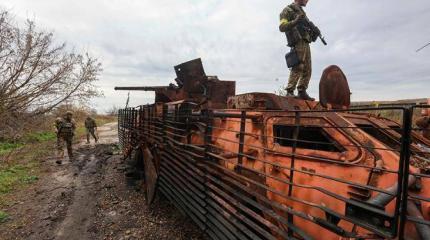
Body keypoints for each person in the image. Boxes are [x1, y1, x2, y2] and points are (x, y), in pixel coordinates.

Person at [279, 0, 319, 101]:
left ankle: (302, 91)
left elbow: (306, 30)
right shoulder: (287, 10)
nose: (307, 0)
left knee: (307, 69)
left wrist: (314, 33)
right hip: (297, 42)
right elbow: (282, 27)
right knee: (298, 66)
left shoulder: (302, 13)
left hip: (305, 42)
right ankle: (289, 91)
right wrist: (295, 21)